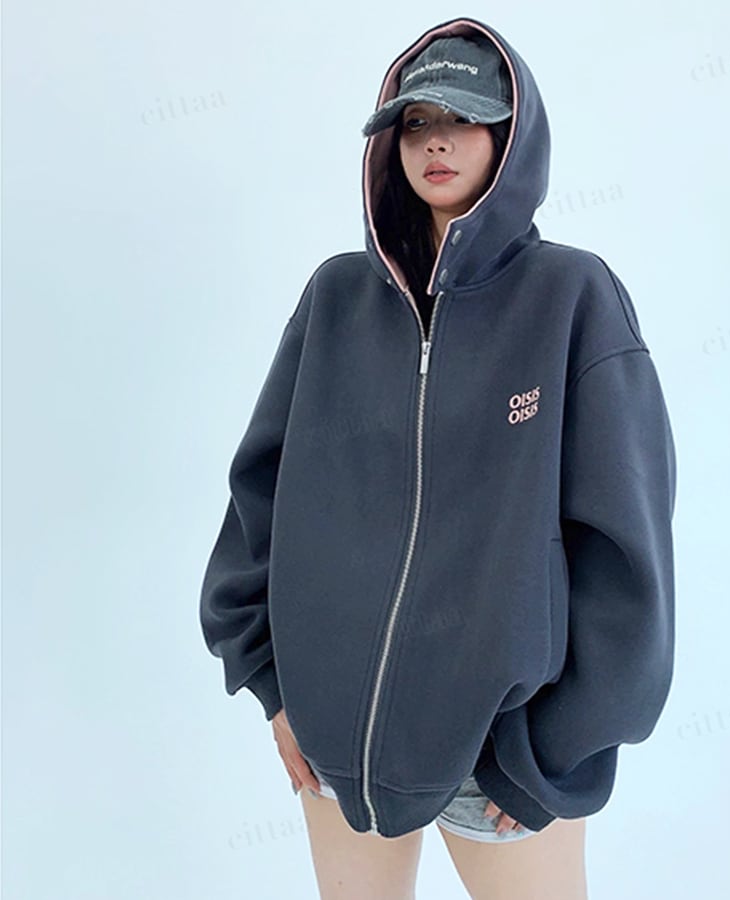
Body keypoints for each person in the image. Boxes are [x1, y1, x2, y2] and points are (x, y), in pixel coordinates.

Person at [199, 16, 677, 900]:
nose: (437, 141)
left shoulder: (572, 297)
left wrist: (554, 754)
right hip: (336, 739)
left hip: (499, 757)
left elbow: (626, 542)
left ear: (511, 135)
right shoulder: (336, 298)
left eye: (463, 119)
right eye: (416, 122)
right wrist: (272, 685)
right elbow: (257, 495)